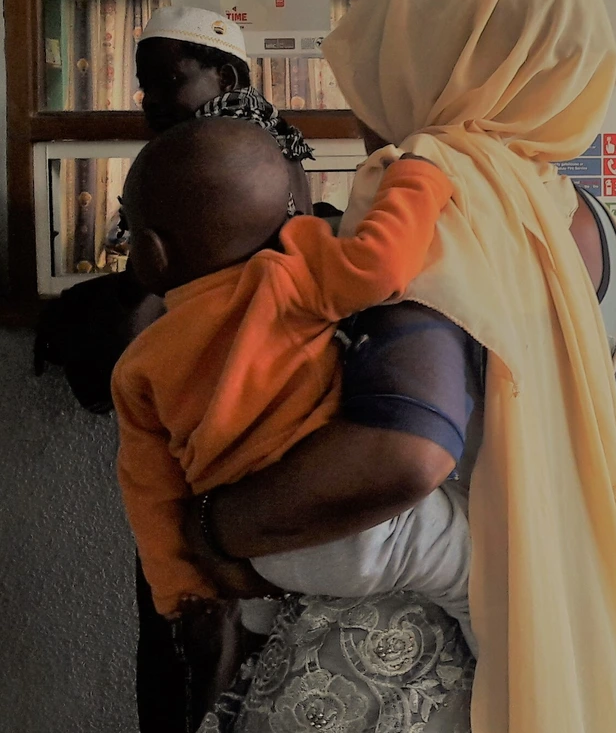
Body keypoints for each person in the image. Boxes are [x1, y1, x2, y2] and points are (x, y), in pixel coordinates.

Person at [175, 0, 616, 733]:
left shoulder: (428, 189)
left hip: (394, 672)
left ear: (443, 63)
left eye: (384, 61)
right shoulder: (590, 225)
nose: (365, 104)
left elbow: (406, 450)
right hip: (546, 652)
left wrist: (217, 527)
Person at [31, 5, 325, 733]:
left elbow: (167, 295)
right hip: (258, 454)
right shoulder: (267, 154)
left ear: (223, 76)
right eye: (144, 85)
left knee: (194, 654)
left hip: (213, 446)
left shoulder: (223, 163)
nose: (152, 100)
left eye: (168, 80)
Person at [109, 117, 477, 653]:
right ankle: (519, 710)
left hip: (263, 556)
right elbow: (383, 266)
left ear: (152, 250)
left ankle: (262, 622)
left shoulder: (137, 366)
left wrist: (180, 589)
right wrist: (419, 178)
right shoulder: (288, 277)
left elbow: (149, 493)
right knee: (484, 570)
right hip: (357, 530)